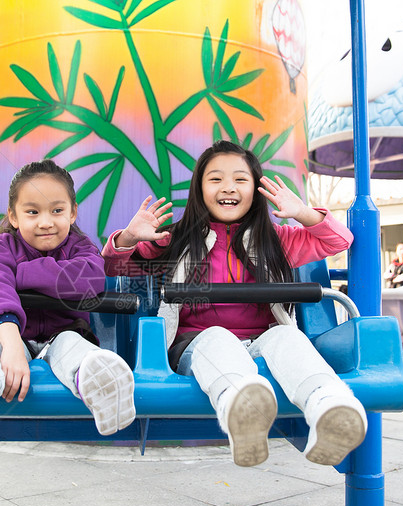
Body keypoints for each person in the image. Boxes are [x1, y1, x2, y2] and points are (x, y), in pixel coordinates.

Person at [102, 140, 366, 467]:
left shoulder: (276, 239)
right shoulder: (177, 238)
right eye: (216, 179)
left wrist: (302, 213)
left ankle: (330, 406)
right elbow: (115, 267)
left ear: (255, 190)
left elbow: (339, 241)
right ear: (200, 189)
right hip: (196, 344)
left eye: (240, 179)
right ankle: (242, 409)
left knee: (289, 337)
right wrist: (129, 238)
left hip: (260, 341)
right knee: (218, 337)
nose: (228, 187)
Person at [0, 159, 136, 444]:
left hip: (65, 335)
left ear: (72, 213)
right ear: (14, 216)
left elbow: (89, 279)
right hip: (11, 336)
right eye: (32, 212)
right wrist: (12, 344)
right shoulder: (2, 246)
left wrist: (21, 273)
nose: (46, 222)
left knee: (73, 347)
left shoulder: (80, 247)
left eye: (57, 210)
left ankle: (99, 379)